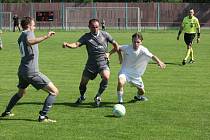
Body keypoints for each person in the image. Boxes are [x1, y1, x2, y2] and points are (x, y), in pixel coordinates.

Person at [0, 17, 59, 123]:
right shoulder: (28, 33)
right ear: (28, 25)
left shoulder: (21, 35)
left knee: (20, 93)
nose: (35, 27)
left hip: (22, 70)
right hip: (31, 71)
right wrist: (46, 36)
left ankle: (7, 111)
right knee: (54, 92)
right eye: (34, 25)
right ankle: (42, 116)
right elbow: (30, 41)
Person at [63, 18, 119, 107]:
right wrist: (68, 45)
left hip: (103, 62)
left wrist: (109, 53)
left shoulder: (105, 35)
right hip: (91, 64)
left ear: (99, 26)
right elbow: (76, 44)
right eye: (93, 27)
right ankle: (82, 96)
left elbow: (116, 46)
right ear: (89, 27)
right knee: (82, 84)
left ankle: (98, 96)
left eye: (97, 27)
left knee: (106, 76)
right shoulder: (86, 37)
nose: (95, 29)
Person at [116, 32, 166, 104]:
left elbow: (152, 56)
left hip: (136, 75)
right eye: (134, 42)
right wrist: (119, 56)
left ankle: (138, 97)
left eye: (138, 42)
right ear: (132, 41)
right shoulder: (127, 48)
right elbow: (117, 47)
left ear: (141, 42)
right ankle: (120, 101)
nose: (136, 44)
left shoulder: (143, 50)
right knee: (120, 82)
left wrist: (159, 62)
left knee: (142, 91)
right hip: (125, 72)